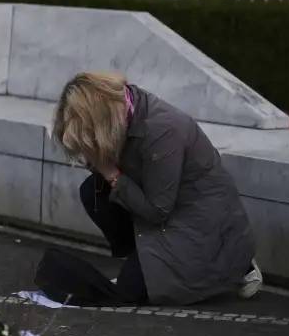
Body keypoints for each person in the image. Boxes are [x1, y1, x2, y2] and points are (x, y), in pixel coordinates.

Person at [38, 71, 263, 306]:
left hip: (196, 221)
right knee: (93, 193)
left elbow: (158, 211)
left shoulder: (163, 130)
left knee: (127, 293)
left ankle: (236, 262)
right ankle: (143, 259)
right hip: (165, 207)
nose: (87, 159)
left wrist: (110, 172)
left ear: (102, 120)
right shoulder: (123, 108)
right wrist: (99, 165)